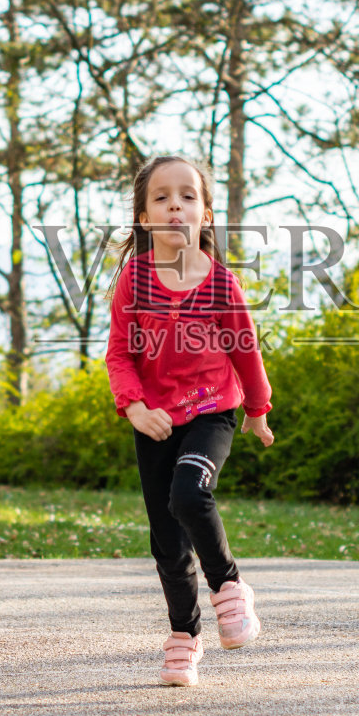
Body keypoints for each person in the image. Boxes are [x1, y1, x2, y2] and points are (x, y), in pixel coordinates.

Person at [104, 155, 275, 686]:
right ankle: (184, 636)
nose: (175, 204)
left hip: (212, 410)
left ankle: (229, 588)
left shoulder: (222, 284)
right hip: (154, 420)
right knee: (168, 543)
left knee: (189, 495)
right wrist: (133, 405)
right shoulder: (134, 279)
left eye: (187, 196)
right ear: (143, 216)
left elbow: (247, 352)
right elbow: (119, 355)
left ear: (204, 215)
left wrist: (257, 410)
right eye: (161, 197)